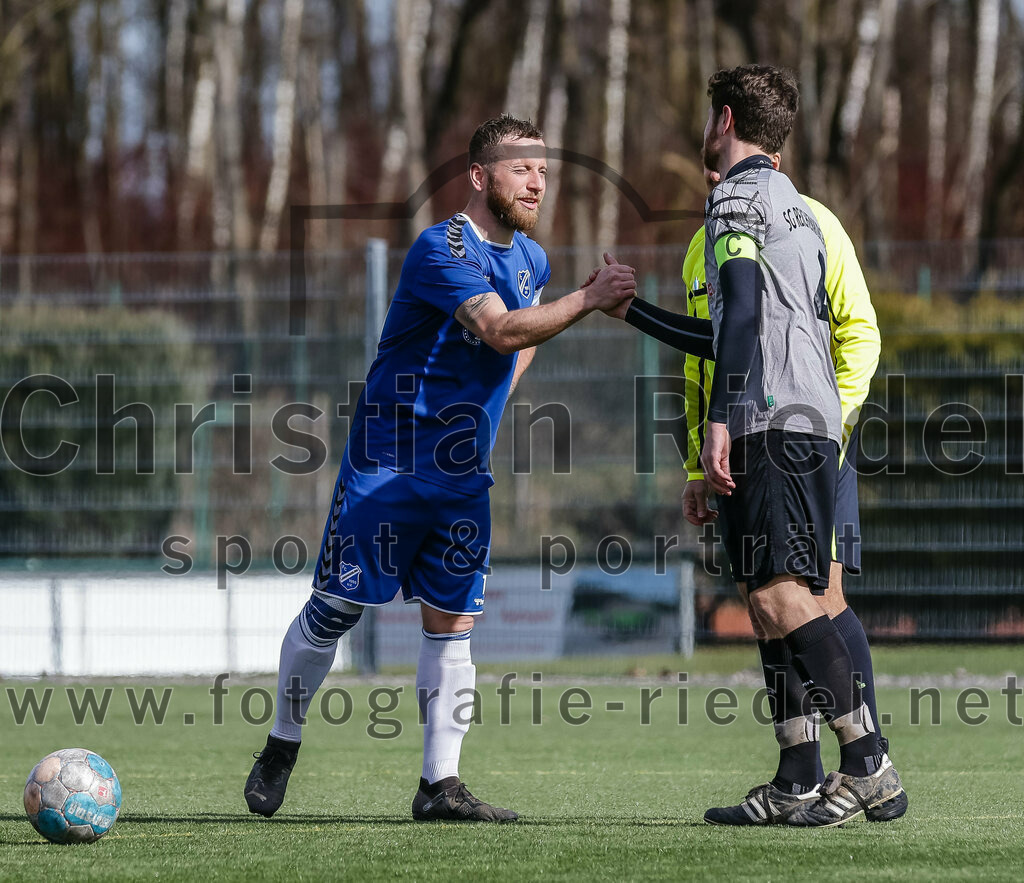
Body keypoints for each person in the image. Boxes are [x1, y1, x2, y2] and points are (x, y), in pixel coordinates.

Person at [244, 114, 636, 822]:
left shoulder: (533, 259)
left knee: (453, 625)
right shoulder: (441, 247)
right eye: (522, 169)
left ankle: (439, 785)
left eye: (543, 171)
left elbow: (521, 343)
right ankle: (282, 741)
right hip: (388, 467)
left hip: (461, 476)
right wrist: (588, 300)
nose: (537, 183)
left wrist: (487, 416)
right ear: (480, 176)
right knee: (336, 609)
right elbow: (500, 329)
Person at [616, 65, 904, 827]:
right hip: (793, 422)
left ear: (724, 119)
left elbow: (742, 315)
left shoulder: (734, 198)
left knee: (787, 597)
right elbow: (726, 331)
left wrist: (720, 419)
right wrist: (633, 310)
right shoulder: (796, 208)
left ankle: (868, 762)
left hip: (772, 421)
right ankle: (797, 776)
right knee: (769, 602)